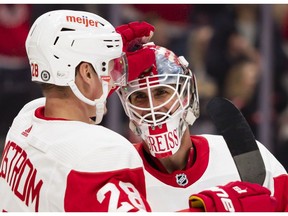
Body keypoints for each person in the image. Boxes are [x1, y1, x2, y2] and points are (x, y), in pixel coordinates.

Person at [0, 10, 152, 212]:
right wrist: (206, 204)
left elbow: (77, 92)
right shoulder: (99, 154)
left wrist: (104, 66)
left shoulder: (27, 118)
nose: (113, 75)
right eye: (107, 67)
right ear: (87, 73)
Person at [115, 36, 288, 211]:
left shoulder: (244, 156)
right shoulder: (116, 171)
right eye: (139, 97)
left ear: (186, 96)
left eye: (161, 92)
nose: (153, 108)